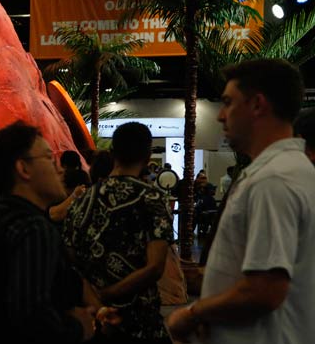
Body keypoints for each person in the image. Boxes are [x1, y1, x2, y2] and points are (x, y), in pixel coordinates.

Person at [167, 58, 315, 344]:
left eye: (228, 103)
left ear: (257, 105)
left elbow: (264, 290)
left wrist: (193, 313)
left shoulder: (273, 179)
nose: (221, 116)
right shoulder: (292, 170)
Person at [0, 121, 96, 343]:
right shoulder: (33, 228)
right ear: (24, 169)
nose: (60, 169)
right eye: (49, 158)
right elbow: (32, 316)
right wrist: (78, 328)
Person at [63, 122, 173, 344]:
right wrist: (109, 293)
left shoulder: (82, 200)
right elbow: (155, 266)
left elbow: (70, 259)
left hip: (96, 321)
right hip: (141, 322)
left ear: (113, 153)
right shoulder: (151, 198)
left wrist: (97, 299)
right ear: (148, 156)